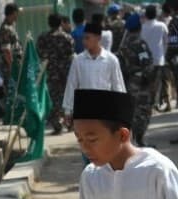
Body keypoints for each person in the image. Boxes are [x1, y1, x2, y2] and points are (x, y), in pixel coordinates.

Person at [62, 22, 126, 126]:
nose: (84, 41)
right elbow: (71, 85)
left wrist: (122, 110)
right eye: (83, 38)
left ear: (98, 38)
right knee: (87, 140)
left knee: (105, 140)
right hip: (85, 110)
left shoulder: (111, 60)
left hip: (106, 108)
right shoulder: (78, 60)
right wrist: (68, 110)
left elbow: (117, 85)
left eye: (87, 38)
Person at [118, 14, 155, 146]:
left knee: (131, 112)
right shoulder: (140, 43)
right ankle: (140, 139)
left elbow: (120, 68)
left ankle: (132, 141)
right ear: (139, 27)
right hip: (140, 83)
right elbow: (147, 63)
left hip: (127, 84)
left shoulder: (123, 46)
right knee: (143, 111)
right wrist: (148, 78)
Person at [37, 13, 75, 133]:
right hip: (66, 73)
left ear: (49, 23)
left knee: (53, 99)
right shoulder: (67, 37)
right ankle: (70, 124)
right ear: (60, 23)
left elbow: (40, 54)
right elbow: (71, 54)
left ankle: (57, 125)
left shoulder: (43, 38)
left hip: (52, 73)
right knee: (68, 98)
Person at [142, 5, 171, 111]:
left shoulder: (143, 27)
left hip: (147, 60)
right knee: (159, 82)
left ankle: (151, 104)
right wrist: (164, 53)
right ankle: (157, 104)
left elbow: (142, 44)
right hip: (159, 59)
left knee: (149, 83)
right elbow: (166, 41)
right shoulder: (161, 25)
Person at [0, 3, 22, 84]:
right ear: (12, 13)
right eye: (16, 13)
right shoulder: (5, 29)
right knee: (12, 91)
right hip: (10, 67)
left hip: (15, 64)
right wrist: (12, 69)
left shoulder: (11, 26)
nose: (17, 16)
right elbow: (6, 51)